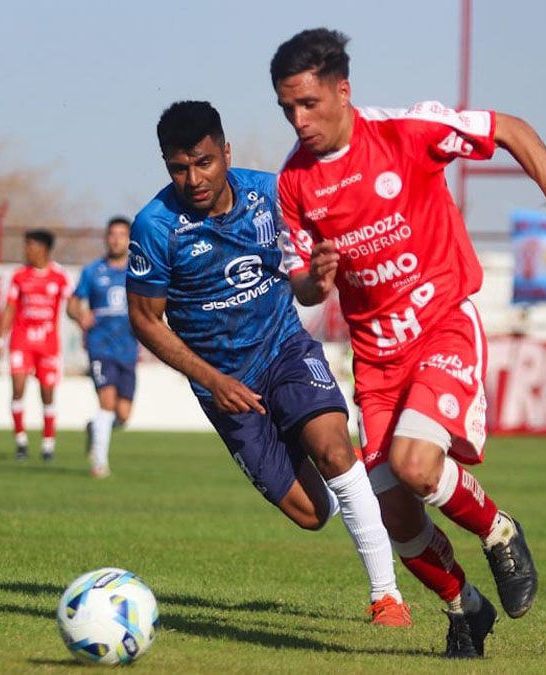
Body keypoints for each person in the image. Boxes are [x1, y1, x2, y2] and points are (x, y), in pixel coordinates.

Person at [270, 29, 546, 658]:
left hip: (441, 327)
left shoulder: (407, 132)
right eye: (287, 108)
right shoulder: (294, 183)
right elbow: (301, 288)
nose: (299, 120)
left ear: (342, 92)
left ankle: (498, 529)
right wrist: (312, 279)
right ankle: (465, 606)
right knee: (396, 515)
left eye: (309, 104)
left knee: (413, 465)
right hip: (376, 361)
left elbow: (510, 128)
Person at [125, 100, 411, 627]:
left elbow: (303, 289)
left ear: (226, 152)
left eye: (204, 162)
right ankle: (348, 489)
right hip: (223, 386)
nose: (193, 179)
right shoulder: (155, 227)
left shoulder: (272, 195)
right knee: (311, 513)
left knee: (332, 446)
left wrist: (317, 280)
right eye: (178, 168)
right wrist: (212, 380)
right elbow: (145, 320)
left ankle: (387, 597)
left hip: (285, 349)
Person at [67, 216, 140, 478]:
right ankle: (99, 463)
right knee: (106, 404)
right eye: (112, 234)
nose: (116, 239)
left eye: (121, 234)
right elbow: (72, 303)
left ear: (130, 239)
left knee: (123, 415)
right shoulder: (93, 271)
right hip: (100, 347)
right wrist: (80, 315)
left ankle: (94, 428)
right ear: (106, 238)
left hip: (128, 350)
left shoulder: (138, 270)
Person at [0, 230, 71, 462]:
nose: (26, 250)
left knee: (47, 393)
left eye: (31, 245)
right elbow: (10, 308)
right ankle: (21, 441)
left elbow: (73, 303)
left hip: (48, 344)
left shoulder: (60, 277)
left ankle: (48, 444)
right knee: (17, 387)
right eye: (25, 245)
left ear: (44, 248)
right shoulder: (19, 276)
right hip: (22, 340)